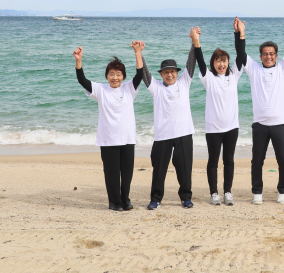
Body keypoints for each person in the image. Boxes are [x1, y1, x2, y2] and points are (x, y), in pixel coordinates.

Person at [73, 42, 145, 211]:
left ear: (123, 76)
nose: (115, 77)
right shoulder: (100, 90)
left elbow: (140, 75)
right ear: (106, 76)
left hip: (127, 138)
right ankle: (114, 202)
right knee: (112, 174)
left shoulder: (129, 89)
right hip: (108, 139)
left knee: (127, 173)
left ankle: (125, 199)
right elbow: (82, 80)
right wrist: (78, 61)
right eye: (111, 74)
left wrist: (138, 53)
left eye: (118, 74)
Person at [236, 14, 284, 205]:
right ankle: (257, 193)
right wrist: (240, 32)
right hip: (260, 124)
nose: (269, 56)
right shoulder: (253, 68)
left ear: (276, 56)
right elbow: (240, 53)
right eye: (265, 54)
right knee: (257, 160)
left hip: (279, 123)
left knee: (283, 160)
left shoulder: (283, 68)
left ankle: (282, 192)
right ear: (261, 56)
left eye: (272, 54)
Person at [140, 28, 199, 210]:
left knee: (184, 168)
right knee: (159, 169)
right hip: (163, 135)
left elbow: (192, 61)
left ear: (177, 72)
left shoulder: (184, 81)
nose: (170, 75)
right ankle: (156, 199)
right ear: (161, 74)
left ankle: (186, 197)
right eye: (166, 72)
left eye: (173, 71)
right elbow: (144, 73)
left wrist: (193, 40)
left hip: (183, 132)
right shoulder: (156, 87)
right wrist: (139, 54)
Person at [196, 19, 244, 207]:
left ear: (228, 63)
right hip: (213, 128)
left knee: (229, 161)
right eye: (218, 61)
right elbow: (199, 60)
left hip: (232, 126)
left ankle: (228, 192)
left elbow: (241, 54)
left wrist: (240, 33)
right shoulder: (208, 78)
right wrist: (196, 41)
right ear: (213, 63)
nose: (222, 64)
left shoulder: (234, 75)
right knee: (213, 161)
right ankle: (214, 193)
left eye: (224, 61)